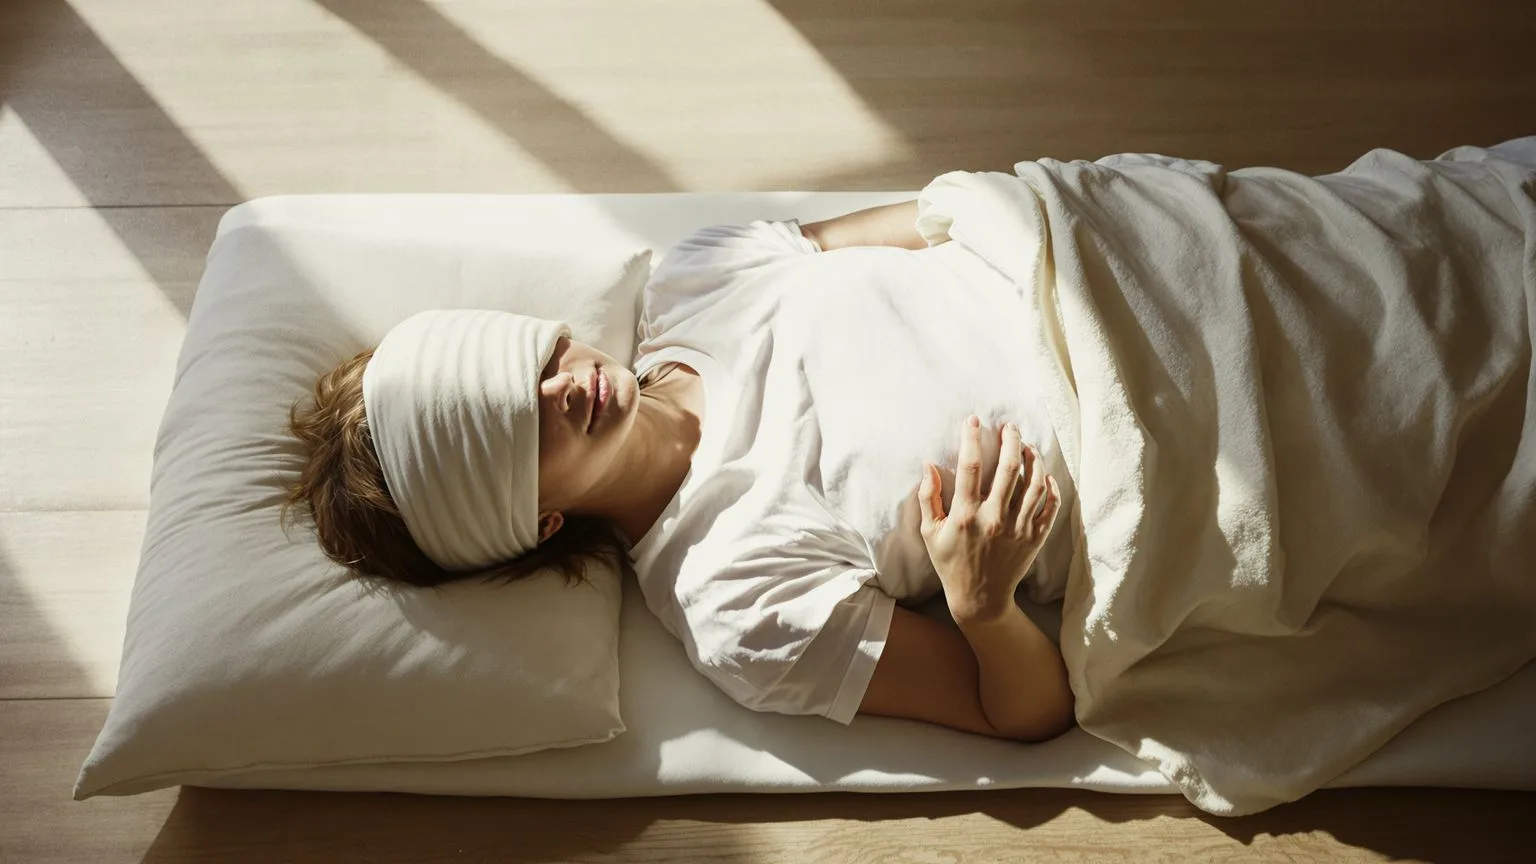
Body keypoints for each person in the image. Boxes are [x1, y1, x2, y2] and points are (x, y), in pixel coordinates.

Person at [285, 201, 1078, 743]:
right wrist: (983, 606)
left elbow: (954, 215)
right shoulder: (735, 601)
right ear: (535, 522)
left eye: (530, 360)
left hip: (1105, 259)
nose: (561, 389)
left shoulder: (701, 274)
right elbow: (1026, 711)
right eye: (517, 426)